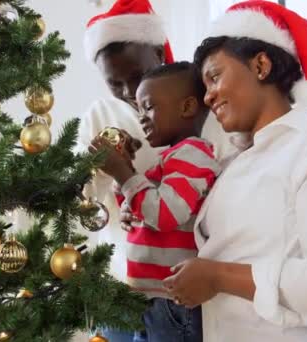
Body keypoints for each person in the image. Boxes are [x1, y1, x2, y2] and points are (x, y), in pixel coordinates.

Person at [158, 2, 307, 341]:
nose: (207, 97)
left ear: (261, 65)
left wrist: (218, 277)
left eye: (214, 77)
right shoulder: (235, 165)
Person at [78, 1, 230, 340]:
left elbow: (174, 207)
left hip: (173, 291)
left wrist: (124, 174)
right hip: (127, 283)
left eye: (135, 76)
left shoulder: (198, 119)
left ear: (159, 54)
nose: (129, 93)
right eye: (114, 83)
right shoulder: (102, 114)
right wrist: (123, 191)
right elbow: (92, 199)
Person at [91, 62, 219, 341]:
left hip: (172, 302)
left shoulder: (193, 155)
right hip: (153, 298)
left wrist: (124, 172)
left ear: (186, 108)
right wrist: (123, 169)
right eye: (139, 110)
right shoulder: (171, 159)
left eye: (148, 107)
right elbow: (140, 206)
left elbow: (165, 214)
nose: (142, 118)